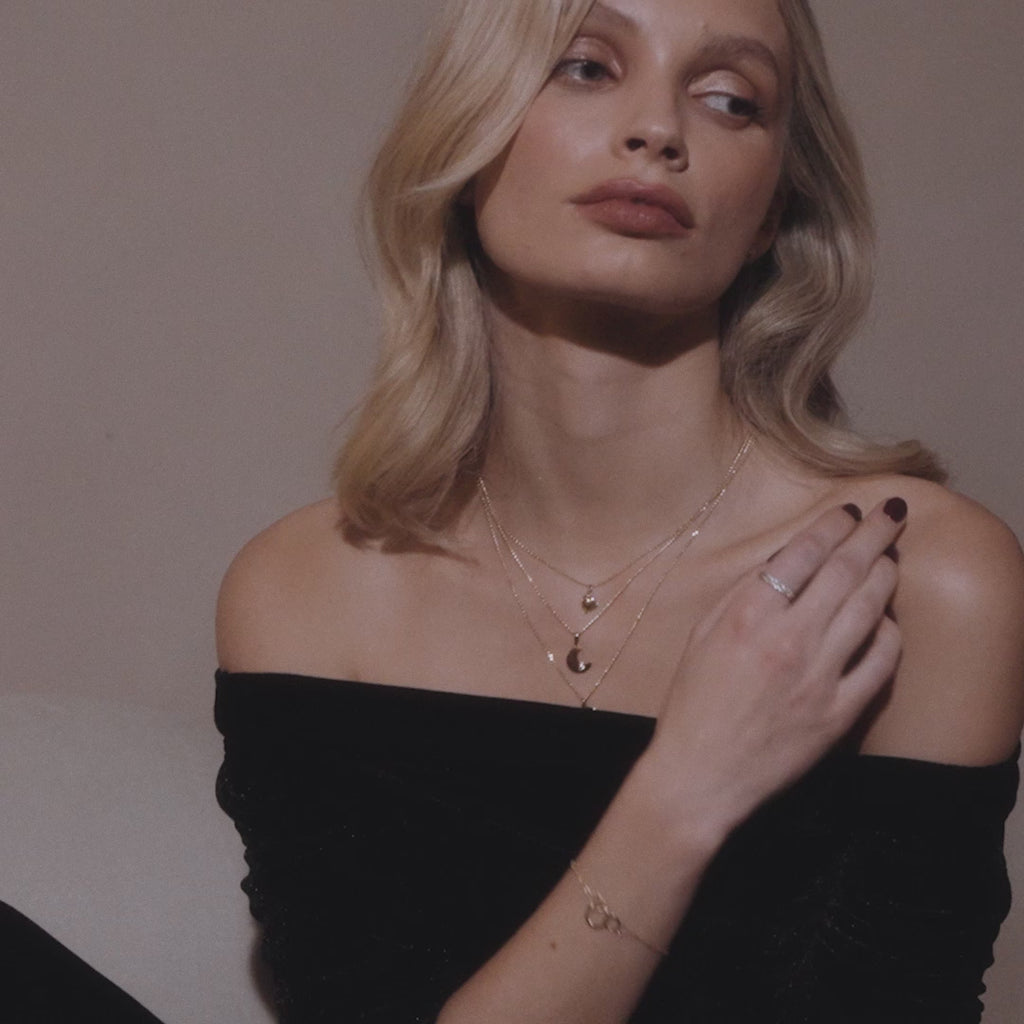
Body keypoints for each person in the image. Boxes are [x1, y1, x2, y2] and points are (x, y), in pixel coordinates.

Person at [214, 0, 1024, 1020]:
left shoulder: (919, 578)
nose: (657, 130)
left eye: (730, 100)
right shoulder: (304, 594)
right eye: (588, 67)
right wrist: (686, 787)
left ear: (772, 209)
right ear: (469, 135)